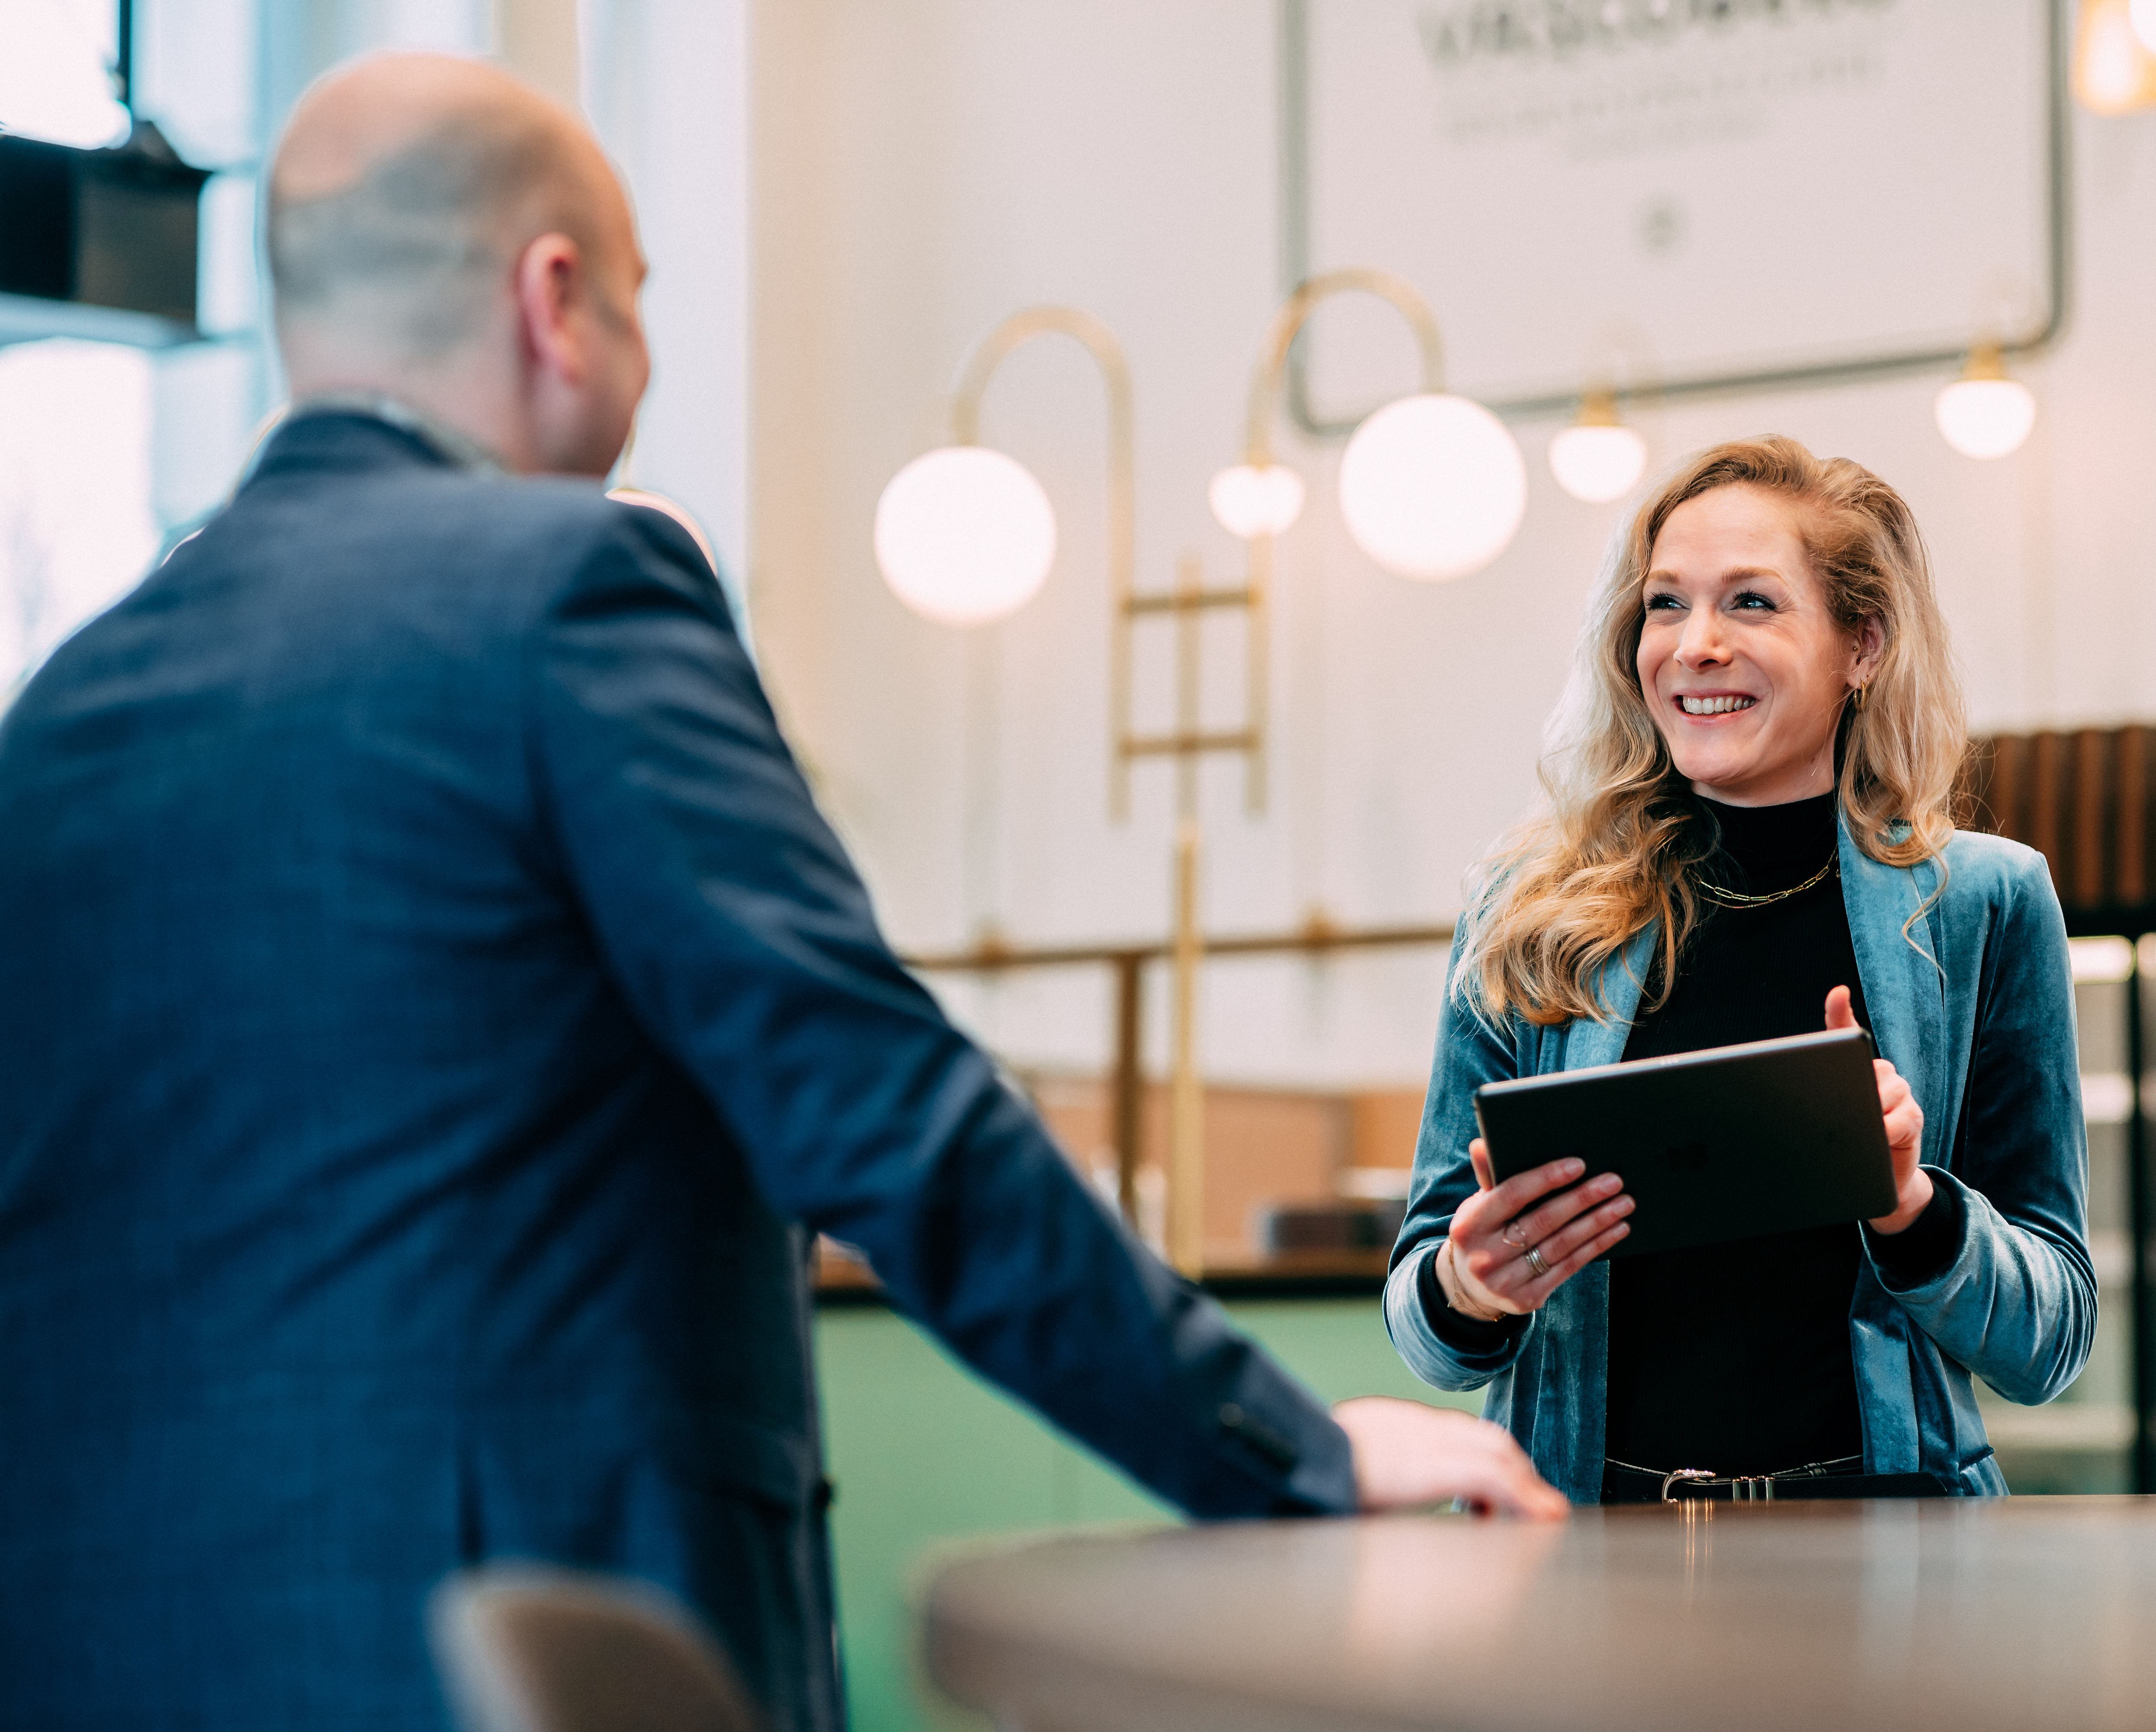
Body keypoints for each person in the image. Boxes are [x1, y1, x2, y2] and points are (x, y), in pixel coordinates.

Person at [0, 52, 1557, 1732]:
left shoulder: (68, 706)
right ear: (555, 297)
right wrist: (1295, 1455)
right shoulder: (574, 583)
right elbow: (882, 1109)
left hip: (101, 1645)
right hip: (517, 1645)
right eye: (645, 302)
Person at [1384, 437, 2096, 1503]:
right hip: (1583, 1545)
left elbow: (2054, 1336)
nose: (1696, 645)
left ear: (1863, 643)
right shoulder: (1525, 912)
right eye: (1665, 605)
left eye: (1751, 603)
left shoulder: (1984, 905)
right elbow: (1427, 1329)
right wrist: (1469, 1281)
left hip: (1883, 1552)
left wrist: (1912, 1205)